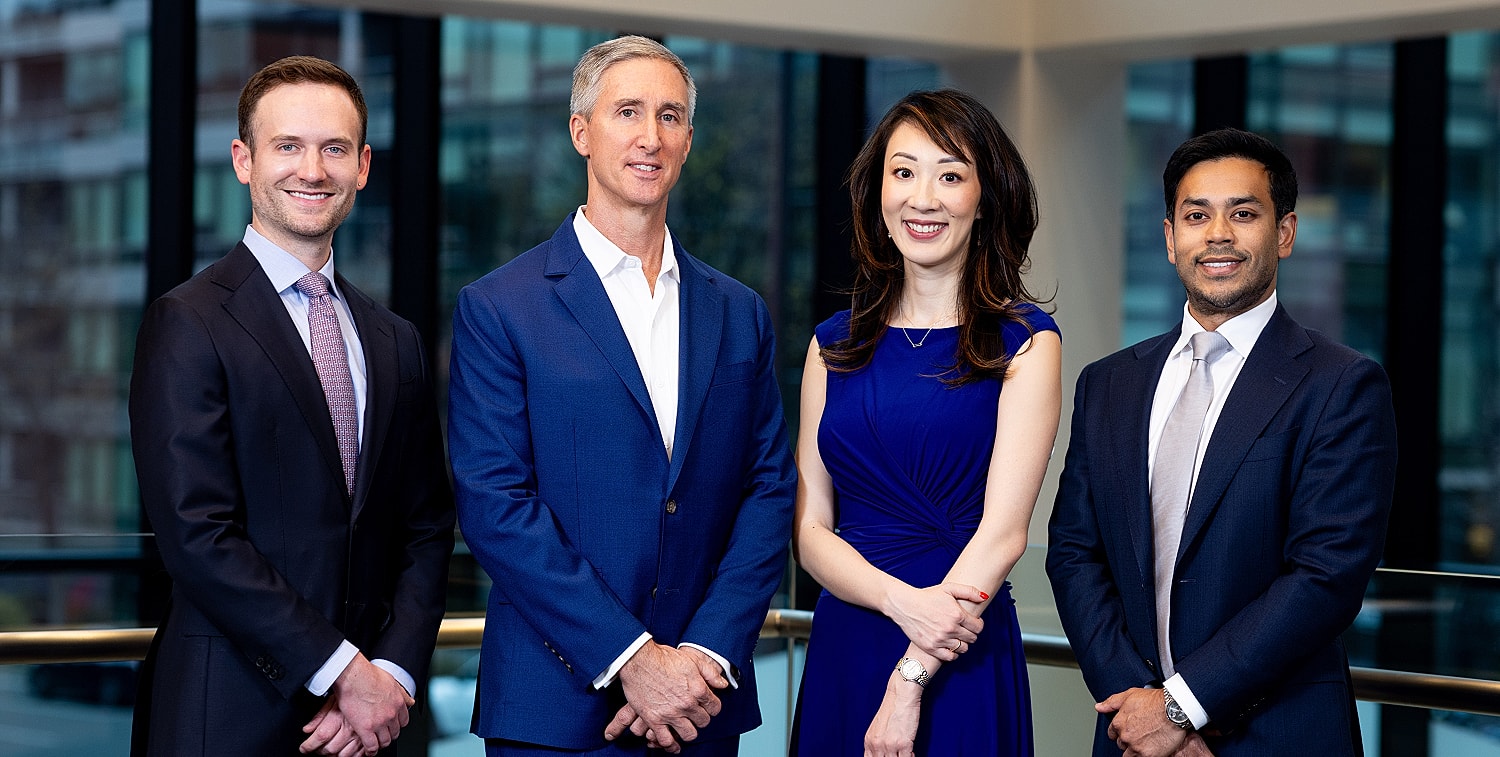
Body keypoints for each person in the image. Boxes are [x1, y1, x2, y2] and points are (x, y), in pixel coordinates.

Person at [447, 36, 797, 757]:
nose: (650, 137)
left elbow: (768, 491)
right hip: (555, 710)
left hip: (703, 705)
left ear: (689, 140)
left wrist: (703, 653)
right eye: (627, 111)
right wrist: (633, 659)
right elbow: (495, 505)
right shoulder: (500, 307)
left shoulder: (738, 311)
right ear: (581, 131)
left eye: (670, 117)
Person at [128, 56, 455, 757]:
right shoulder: (187, 321)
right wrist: (341, 670)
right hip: (229, 716)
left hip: (372, 730)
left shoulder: (394, 340)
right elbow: (198, 534)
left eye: (335, 148)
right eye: (289, 146)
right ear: (244, 160)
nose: (314, 169)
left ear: (363, 166)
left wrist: (389, 673)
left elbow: (426, 528)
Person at [1046, 128, 1398, 757]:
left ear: (1284, 234)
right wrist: (1141, 708)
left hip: (1278, 734)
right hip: (1132, 737)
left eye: (1243, 213)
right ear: (1169, 236)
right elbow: (1074, 554)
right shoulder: (1109, 383)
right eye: (1196, 215)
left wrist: (1180, 708)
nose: (1217, 235)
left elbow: (1325, 576)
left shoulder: (1342, 384)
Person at [790, 89, 1061, 757]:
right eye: (903, 171)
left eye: (950, 174)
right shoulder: (831, 344)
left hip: (954, 643)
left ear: (985, 196)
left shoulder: (1025, 341)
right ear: (878, 193)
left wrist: (910, 675)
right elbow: (809, 528)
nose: (923, 197)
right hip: (848, 638)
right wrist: (899, 601)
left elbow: (1003, 534)